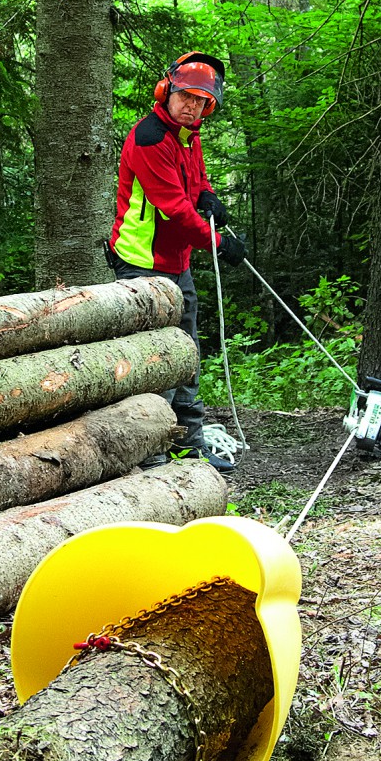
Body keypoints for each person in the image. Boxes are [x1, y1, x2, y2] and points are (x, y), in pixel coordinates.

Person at [107, 52, 245, 474]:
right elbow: (173, 211)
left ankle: (189, 444)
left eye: (201, 101)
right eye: (186, 96)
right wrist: (218, 241)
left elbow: (194, 185)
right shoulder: (150, 138)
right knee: (156, 360)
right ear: (168, 91)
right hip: (141, 264)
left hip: (176, 262)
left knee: (185, 353)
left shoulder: (190, 135)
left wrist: (210, 198)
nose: (192, 106)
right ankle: (153, 452)